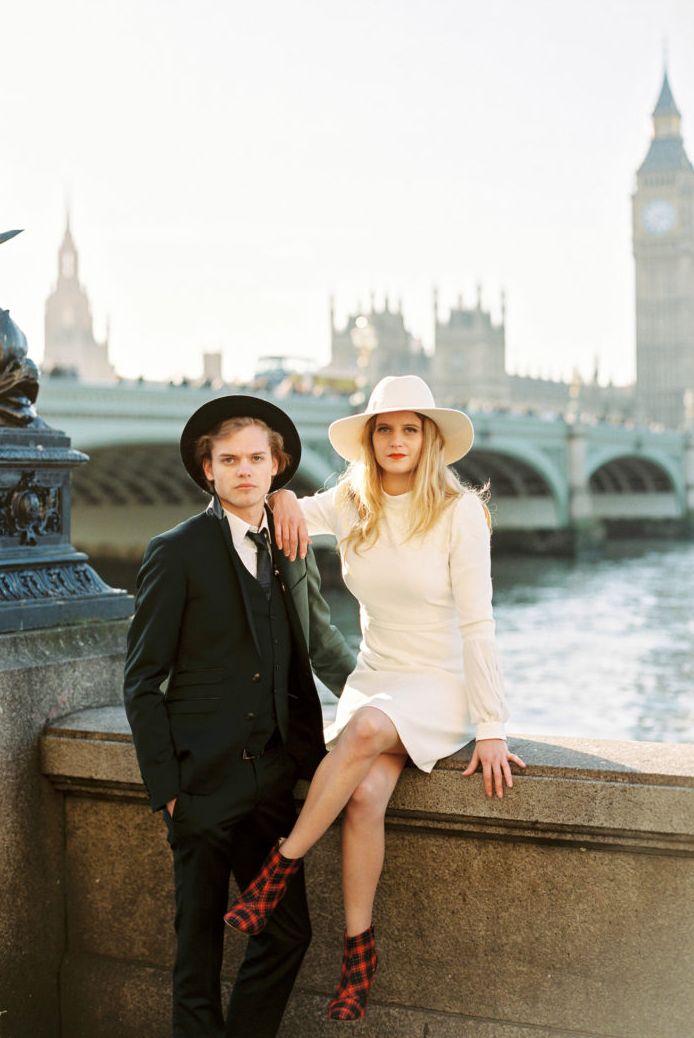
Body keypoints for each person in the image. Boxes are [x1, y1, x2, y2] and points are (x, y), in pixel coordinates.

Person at [224, 374, 525, 1022]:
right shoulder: (353, 500)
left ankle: (278, 870)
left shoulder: (459, 509)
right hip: (377, 676)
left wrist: (492, 724)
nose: (396, 440)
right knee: (362, 796)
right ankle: (359, 955)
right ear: (368, 438)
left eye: (409, 428)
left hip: (439, 686)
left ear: (430, 437)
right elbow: (287, 506)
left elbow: (478, 622)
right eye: (384, 428)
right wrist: (277, 498)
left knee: (359, 732)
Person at [123, 395, 356, 1038]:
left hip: (275, 781)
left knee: (288, 935)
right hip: (201, 785)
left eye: (256, 458)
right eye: (230, 460)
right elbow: (142, 680)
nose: (244, 470)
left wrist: (385, 703)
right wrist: (167, 790)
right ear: (209, 471)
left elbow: (318, 644)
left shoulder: (289, 543)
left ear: (276, 467)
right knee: (196, 955)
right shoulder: (176, 550)